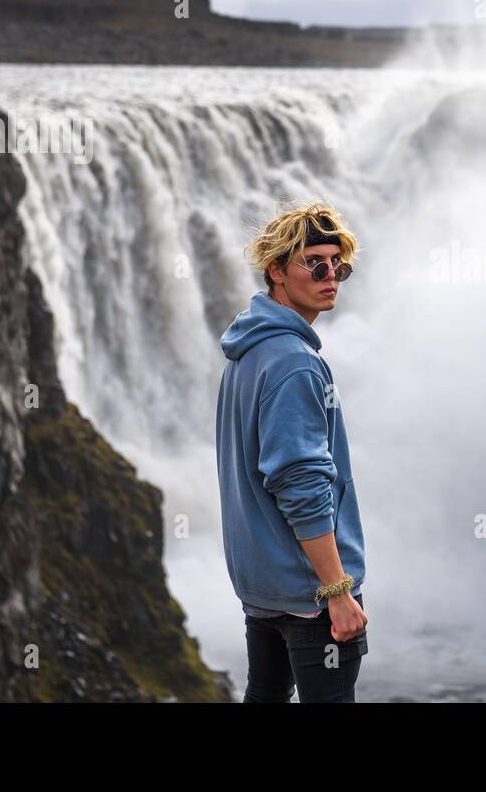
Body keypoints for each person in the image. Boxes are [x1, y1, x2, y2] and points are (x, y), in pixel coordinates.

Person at [215, 199, 368, 702]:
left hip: (263, 587)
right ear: (276, 271)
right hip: (310, 594)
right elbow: (299, 482)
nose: (331, 276)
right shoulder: (293, 363)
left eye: (338, 266)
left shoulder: (249, 349)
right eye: (315, 264)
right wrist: (337, 592)